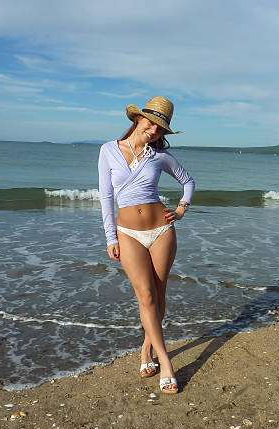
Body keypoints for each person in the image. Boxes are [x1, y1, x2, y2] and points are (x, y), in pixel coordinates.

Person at [98, 96, 195, 394]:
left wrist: (180, 210)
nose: (153, 131)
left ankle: (146, 350)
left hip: (161, 230)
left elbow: (188, 181)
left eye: (160, 129)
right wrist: (110, 237)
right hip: (128, 233)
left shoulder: (159, 157)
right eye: (150, 123)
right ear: (137, 120)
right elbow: (106, 197)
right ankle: (166, 362)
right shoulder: (108, 151)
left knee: (159, 292)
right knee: (146, 297)